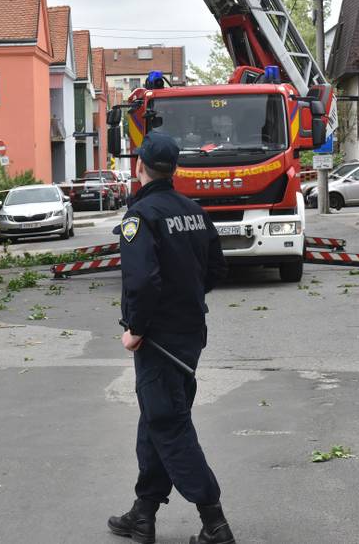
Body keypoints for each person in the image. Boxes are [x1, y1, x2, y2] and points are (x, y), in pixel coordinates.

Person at [108, 131, 233, 544]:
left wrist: (137, 330)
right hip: (190, 334)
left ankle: (214, 522)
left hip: (157, 340)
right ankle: (143, 514)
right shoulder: (193, 211)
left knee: (169, 424)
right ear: (175, 169)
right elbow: (216, 270)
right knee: (156, 421)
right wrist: (185, 297)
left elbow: (141, 282)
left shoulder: (140, 217)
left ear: (139, 166)